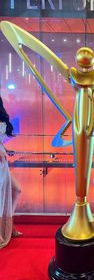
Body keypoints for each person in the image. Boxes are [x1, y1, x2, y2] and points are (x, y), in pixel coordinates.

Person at [0, 96, 22, 249]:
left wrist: (5, 150)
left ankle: (8, 225)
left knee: (16, 190)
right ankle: (5, 230)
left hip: (2, 159)